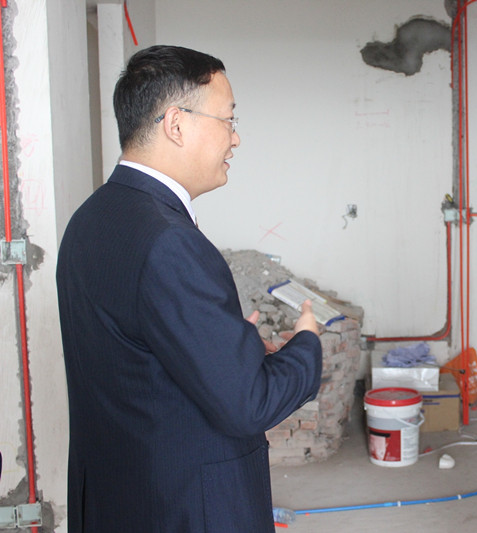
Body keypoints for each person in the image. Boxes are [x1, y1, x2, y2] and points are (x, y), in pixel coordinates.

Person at [56, 45, 322, 533]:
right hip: (183, 508)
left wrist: (227, 344)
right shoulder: (170, 241)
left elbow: (137, 355)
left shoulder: (91, 219)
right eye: (228, 119)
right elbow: (250, 403)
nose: (236, 138)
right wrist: (306, 343)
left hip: (116, 500)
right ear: (176, 124)